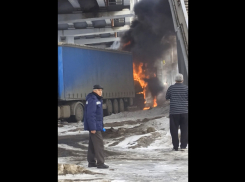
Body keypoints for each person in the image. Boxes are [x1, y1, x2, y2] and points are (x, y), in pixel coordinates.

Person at [83, 84, 109, 169]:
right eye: (98, 90)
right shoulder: (93, 99)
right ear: (94, 91)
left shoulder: (96, 99)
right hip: (95, 127)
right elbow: (91, 115)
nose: (100, 92)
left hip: (97, 125)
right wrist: (93, 127)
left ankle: (91, 162)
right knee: (99, 145)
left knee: (92, 145)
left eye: (101, 90)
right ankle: (100, 163)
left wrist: (101, 126)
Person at [165, 74, 188, 151]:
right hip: (184, 112)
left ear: (175, 80)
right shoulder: (186, 88)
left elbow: (167, 97)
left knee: (174, 130)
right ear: (182, 80)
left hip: (174, 112)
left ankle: (175, 146)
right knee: (184, 129)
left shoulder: (171, 88)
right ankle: (183, 146)